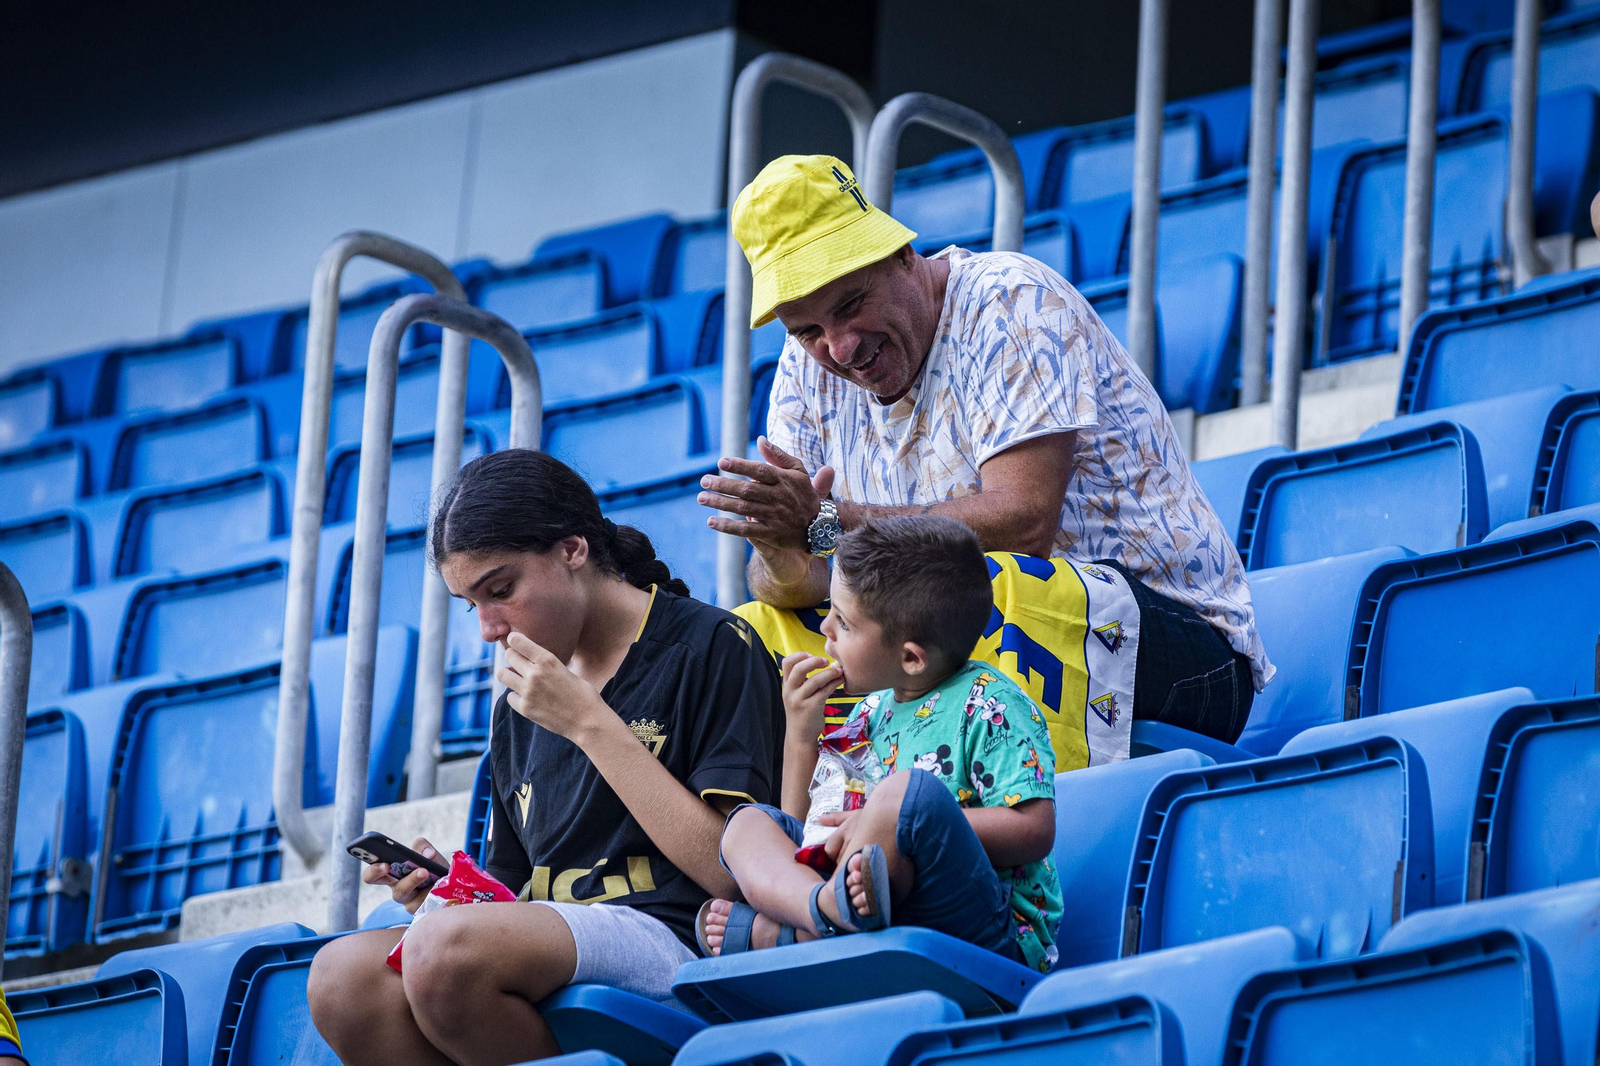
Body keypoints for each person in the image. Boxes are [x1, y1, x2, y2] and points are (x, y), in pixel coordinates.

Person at [698, 154, 1273, 758]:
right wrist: (780, 542)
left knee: (984, 583)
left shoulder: (1010, 299)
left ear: (900, 255)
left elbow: (1023, 524)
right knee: (755, 636)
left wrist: (824, 523)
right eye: (807, 330)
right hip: (965, 638)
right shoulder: (803, 366)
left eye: (850, 304)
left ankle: (1011, 836)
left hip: (1183, 651)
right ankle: (815, 836)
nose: (839, 347)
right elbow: (808, 579)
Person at [308, 450, 784, 1066]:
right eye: (469, 603)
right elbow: (512, 893)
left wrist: (589, 722)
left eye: (500, 590)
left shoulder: (712, 645)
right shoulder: (518, 703)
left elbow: (735, 872)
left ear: (573, 550)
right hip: (553, 934)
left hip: (684, 937)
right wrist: (445, 890)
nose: (487, 628)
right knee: (341, 980)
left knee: (443, 954)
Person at [701, 516, 1061, 972]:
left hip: (984, 935)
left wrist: (887, 818)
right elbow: (805, 832)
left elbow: (1034, 830)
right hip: (872, 910)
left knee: (903, 796)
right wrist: (801, 734)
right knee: (748, 823)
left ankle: (799, 934)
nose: (826, 629)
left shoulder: (990, 704)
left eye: (845, 623)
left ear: (911, 657)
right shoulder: (868, 713)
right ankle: (818, 912)